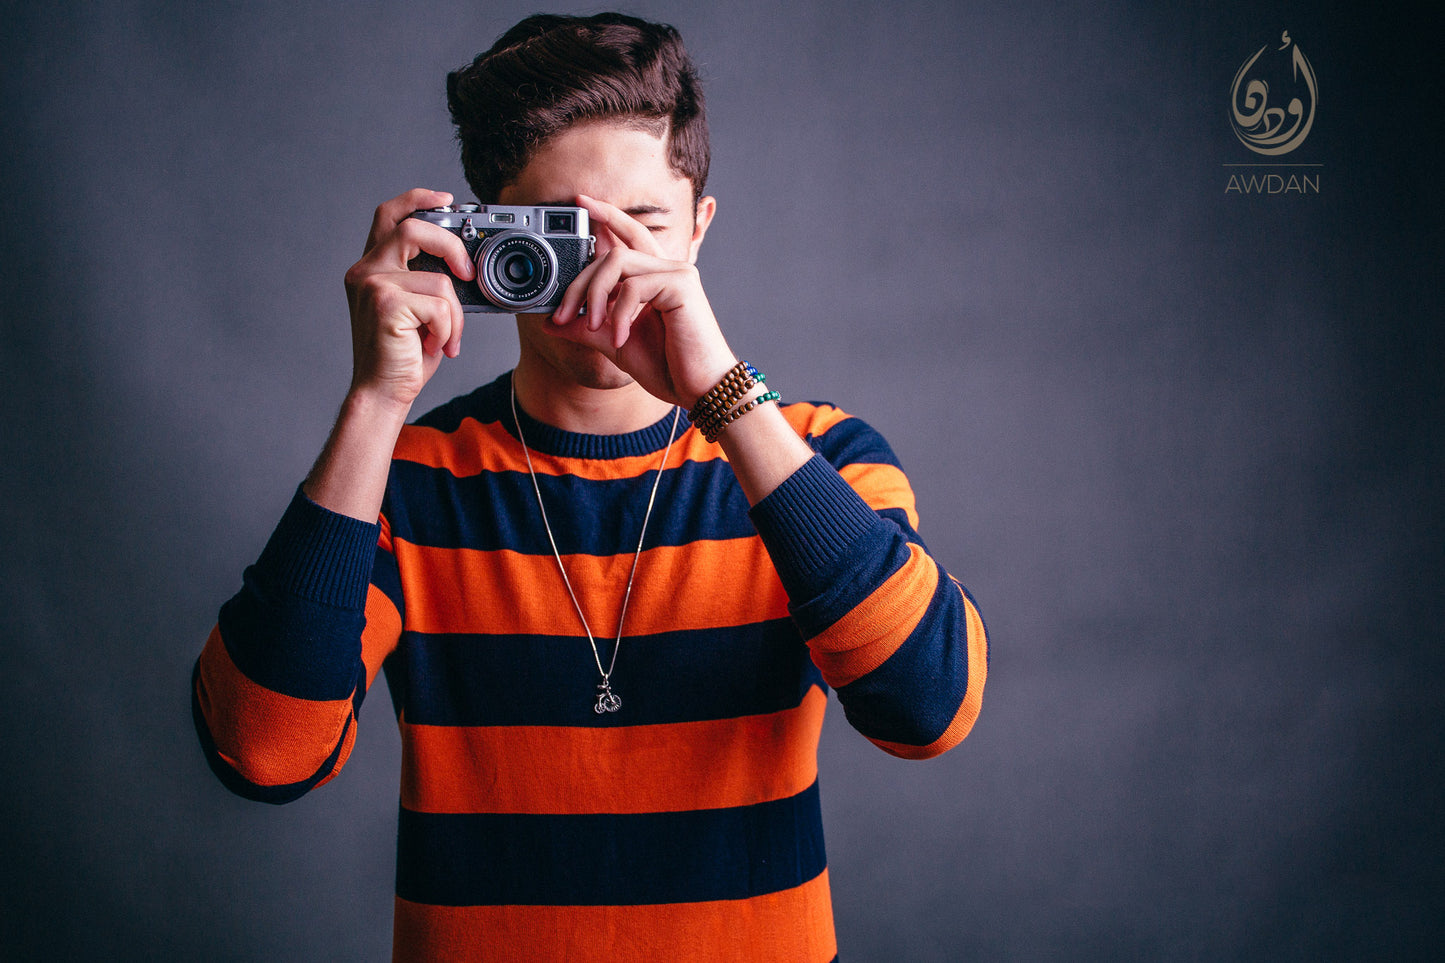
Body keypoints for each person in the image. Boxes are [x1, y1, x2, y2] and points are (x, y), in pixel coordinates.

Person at [192, 12, 988, 962]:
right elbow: (265, 752)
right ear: (484, 240)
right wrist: (376, 400)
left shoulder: (819, 456)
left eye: (641, 228)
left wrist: (724, 394)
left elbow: (930, 709)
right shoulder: (402, 481)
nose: (606, 271)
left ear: (700, 227)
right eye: (560, 232)